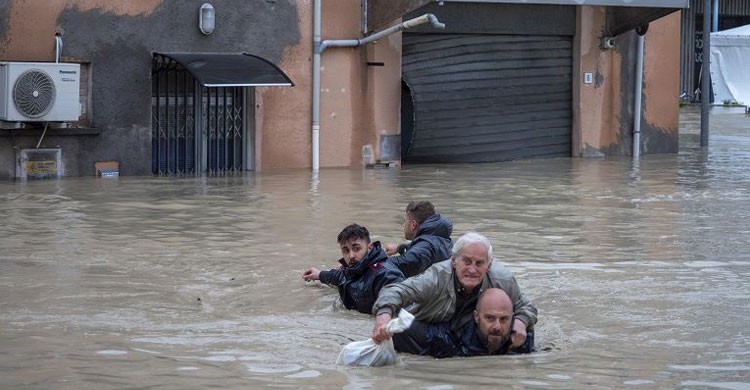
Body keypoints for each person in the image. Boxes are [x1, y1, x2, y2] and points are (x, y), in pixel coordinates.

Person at [371, 232, 537, 350]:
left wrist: (521, 322)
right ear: (454, 261)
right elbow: (396, 290)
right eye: (467, 261)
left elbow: (526, 307)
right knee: (400, 332)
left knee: (525, 333)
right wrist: (383, 316)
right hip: (435, 327)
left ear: (489, 265)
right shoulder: (436, 277)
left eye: (479, 263)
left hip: (471, 329)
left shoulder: (503, 280)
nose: (472, 270)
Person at [391, 288, 535, 358]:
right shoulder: (446, 340)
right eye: (490, 318)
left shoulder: (521, 340)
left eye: (504, 319)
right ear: (476, 317)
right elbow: (401, 331)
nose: (497, 326)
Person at [302, 224, 404, 314]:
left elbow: (399, 298)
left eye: (356, 249)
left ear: (370, 247)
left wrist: (384, 315)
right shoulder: (354, 270)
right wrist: (319, 274)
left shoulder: (385, 274)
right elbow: (341, 277)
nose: (351, 256)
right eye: (346, 250)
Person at [385, 201, 453, 277]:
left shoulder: (425, 247)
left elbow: (405, 262)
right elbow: (418, 249)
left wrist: (373, 261)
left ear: (413, 224)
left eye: (405, 221)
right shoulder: (438, 238)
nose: (403, 225)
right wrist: (398, 248)